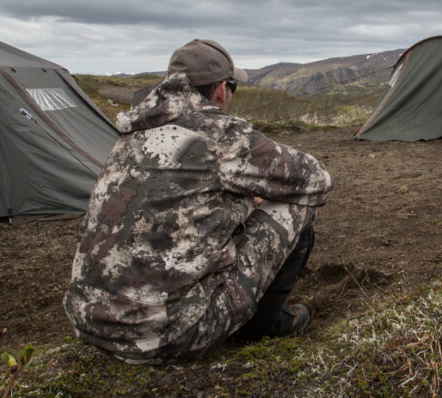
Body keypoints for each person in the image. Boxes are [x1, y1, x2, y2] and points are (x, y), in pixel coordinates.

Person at [63, 39, 334, 364]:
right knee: (296, 204)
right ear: (221, 89)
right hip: (169, 336)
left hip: (89, 321)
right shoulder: (220, 136)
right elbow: (317, 181)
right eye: (232, 86)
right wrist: (249, 201)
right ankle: (264, 324)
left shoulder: (131, 135)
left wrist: (237, 202)